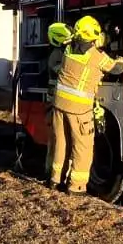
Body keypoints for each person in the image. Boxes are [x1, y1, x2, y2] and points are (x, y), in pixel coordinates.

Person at [48, 16, 123, 194]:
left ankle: (54, 180)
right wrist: (121, 59)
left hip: (59, 106)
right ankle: (77, 187)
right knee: (82, 147)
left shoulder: (68, 49)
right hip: (79, 110)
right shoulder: (97, 57)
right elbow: (116, 69)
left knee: (61, 144)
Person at [42, 22, 74, 180]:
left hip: (60, 103)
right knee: (57, 140)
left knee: (62, 140)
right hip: (56, 103)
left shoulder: (62, 52)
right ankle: (52, 174)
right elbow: (67, 71)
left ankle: (58, 175)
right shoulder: (56, 56)